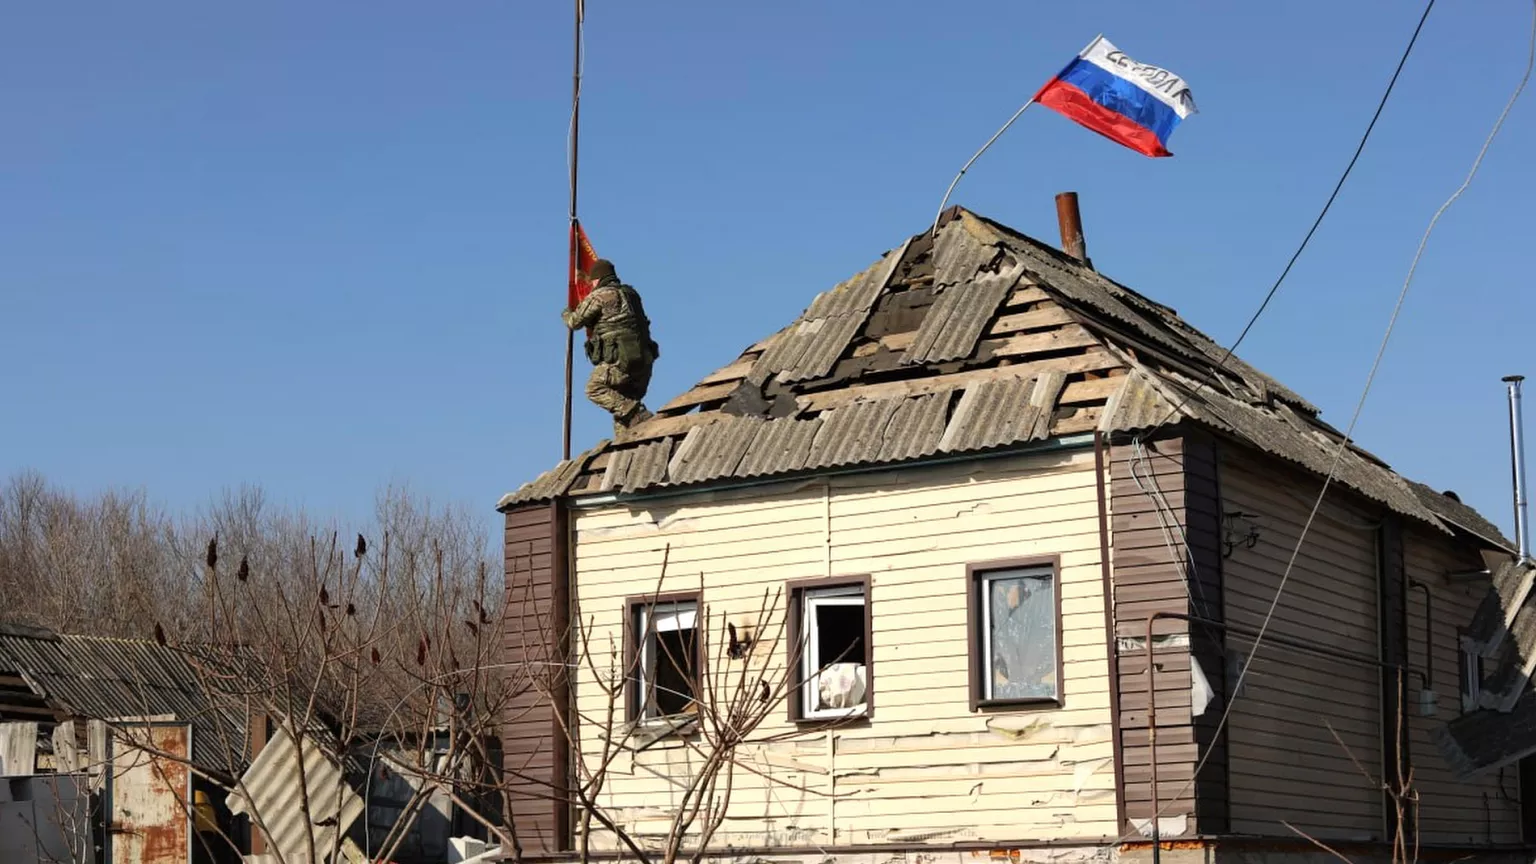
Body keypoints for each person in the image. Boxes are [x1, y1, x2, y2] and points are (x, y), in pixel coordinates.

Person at [561, 259, 660, 435]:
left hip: (621, 362)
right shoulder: (632, 294)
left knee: (594, 388)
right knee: (623, 413)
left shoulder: (600, 295)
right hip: (644, 363)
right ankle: (629, 442)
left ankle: (638, 413)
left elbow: (574, 322)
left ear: (597, 279)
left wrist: (566, 313)